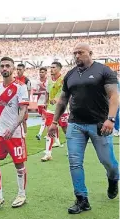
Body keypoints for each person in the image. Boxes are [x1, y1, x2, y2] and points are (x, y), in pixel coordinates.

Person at [48, 43, 119, 214]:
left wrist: (111, 119)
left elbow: (114, 95)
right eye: (74, 53)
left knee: (107, 161)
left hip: (99, 124)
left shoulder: (104, 71)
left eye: (80, 52)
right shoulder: (70, 74)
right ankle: (82, 199)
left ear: (90, 53)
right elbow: (63, 99)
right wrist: (55, 121)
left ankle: (113, 178)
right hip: (75, 124)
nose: (77, 56)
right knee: (74, 162)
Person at [0, 57, 29, 211]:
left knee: (19, 164)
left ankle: (21, 194)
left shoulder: (20, 87)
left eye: (7, 66)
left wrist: (13, 126)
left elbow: (23, 110)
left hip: (15, 133)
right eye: (2, 66)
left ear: (13, 68)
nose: (4, 68)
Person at [41, 62, 68, 162]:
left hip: (62, 110)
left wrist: (58, 100)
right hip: (51, 110)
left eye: (53, 67)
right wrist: (45, 102)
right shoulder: (48, 81)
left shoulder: (64, 80)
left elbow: (68, 94)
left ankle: (71, 150)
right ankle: (48, 153)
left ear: (59, 69)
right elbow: (47, 93)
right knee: (49, 130)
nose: (51, 69)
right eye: (50, 67)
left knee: (66, 130)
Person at [15, 64, 31, 135]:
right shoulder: (14, 79)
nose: (18, 71)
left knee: (23, 120)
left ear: (24, 70)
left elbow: (28, 92)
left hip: (23, 102)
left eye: (20, 69)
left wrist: (26, 104)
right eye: (17, 69)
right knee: (15, 119)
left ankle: (25, 134)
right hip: (14, 102)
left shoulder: (27, 80)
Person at [34, 67, 48, 140]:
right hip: (39, 102)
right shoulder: (37, 82)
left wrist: (43, 88)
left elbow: (49, 91)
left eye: (42, 72)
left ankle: (39, 134)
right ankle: (49, 134)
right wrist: (41, 91)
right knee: (46, 119)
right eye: (40, 72)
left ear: (46, 73)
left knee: (44, 118)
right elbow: (34, 92)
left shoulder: (48, 81)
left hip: (46, 103)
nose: (41, 73)